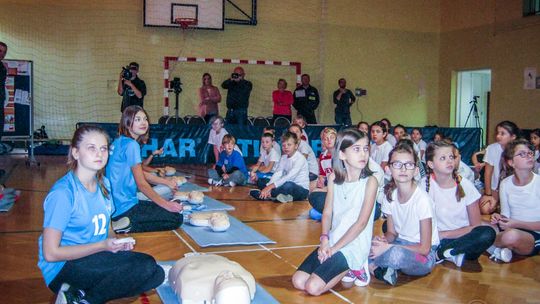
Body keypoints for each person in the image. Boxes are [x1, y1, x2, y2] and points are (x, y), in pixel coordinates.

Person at [38, 125, 164, 304]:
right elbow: (50, 253)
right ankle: (87, 300)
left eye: (103, 148)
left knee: (156, 274)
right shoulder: (63, 194)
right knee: (144, 267)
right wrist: (103, 246)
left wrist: (116, 243)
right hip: (62, 268)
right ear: (75, 152)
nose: (99, 154)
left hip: (93, 256)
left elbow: (108, 229)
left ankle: (78, 295)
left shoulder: (104, 184)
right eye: (91, 148)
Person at [292, 129, 377, 294]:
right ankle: (341, 264)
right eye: (356, 149)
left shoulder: (370, 182)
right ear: (342, 154)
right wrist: (324, 240)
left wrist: (334, 248)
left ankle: (357, 266)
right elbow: (328, 212)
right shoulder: (333, 179)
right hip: (333, 241)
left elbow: (361, 224)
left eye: (366, 148)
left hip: (353, 245)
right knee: (298, 281)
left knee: (312, 287)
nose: (363, 154)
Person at [369, 141, 439, 286]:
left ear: (415, 170)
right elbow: (392, 233)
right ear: (388, 169)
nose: (403, 169)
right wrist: (383, 240)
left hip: (423, 255)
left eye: (409, 164)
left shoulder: (422, 200)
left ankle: (375, 268)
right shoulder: (391, 196)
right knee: (366, 245)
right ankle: (383, 270)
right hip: (399, 242)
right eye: (397, 164)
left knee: (396, 255)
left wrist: (389, 248)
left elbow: (425, 248)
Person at [106, 106, 183, 233]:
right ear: (127, 122)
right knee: (176, 218)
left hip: (115, 206)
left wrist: (166, 182)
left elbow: (140, 174)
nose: (143, 122)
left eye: (145, 119)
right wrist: (167, 205)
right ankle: (126, 225)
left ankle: (123, 222)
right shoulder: (131, 145)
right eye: (137, 119)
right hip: (125, 208)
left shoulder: (119, 141)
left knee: (159, 203)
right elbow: (141, 184)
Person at [423, 141, 495, 267]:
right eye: (443, 158)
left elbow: (475, 227)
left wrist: (444, 234)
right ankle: (451, 253)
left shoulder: (465, 185)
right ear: (430, 164)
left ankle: (442, 254)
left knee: (487, 233)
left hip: (462, 238)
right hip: (434, 239)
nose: (450, 161)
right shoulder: (423, 185)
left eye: (451, 157)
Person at [489, 139, 540, 262]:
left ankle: (492, 247)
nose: (528, 156)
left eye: (530, 153)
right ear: (511, 162)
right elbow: (506, 214)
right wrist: (499, 218)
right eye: (522, 154)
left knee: (511, 236)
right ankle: (500, 250)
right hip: (510, 228)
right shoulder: (506, 183)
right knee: (476, 225)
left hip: (533, 234)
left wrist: (516, 224)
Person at [250, 132, 309, 203]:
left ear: (296, 146)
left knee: (288, 185)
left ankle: (269, 195)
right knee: (261, 181)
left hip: (300, 189)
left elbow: (289, 177)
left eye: (289, 145)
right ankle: (279, 196)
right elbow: (277, 173)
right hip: (284, 184)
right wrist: (268, 186)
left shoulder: (300, 158)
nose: (286, 147)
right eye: (283, 145)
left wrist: (269, 187)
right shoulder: (284, 158)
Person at [480, 121, 520, 215]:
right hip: (495, 189)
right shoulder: (492, 148)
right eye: (497, 133)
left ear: (513, 137)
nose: (498, 136)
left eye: (502, 134)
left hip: (513, 188)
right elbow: (488, 172)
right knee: (486, 209)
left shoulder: (518, 150)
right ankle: (498, 206)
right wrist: (488, 194)